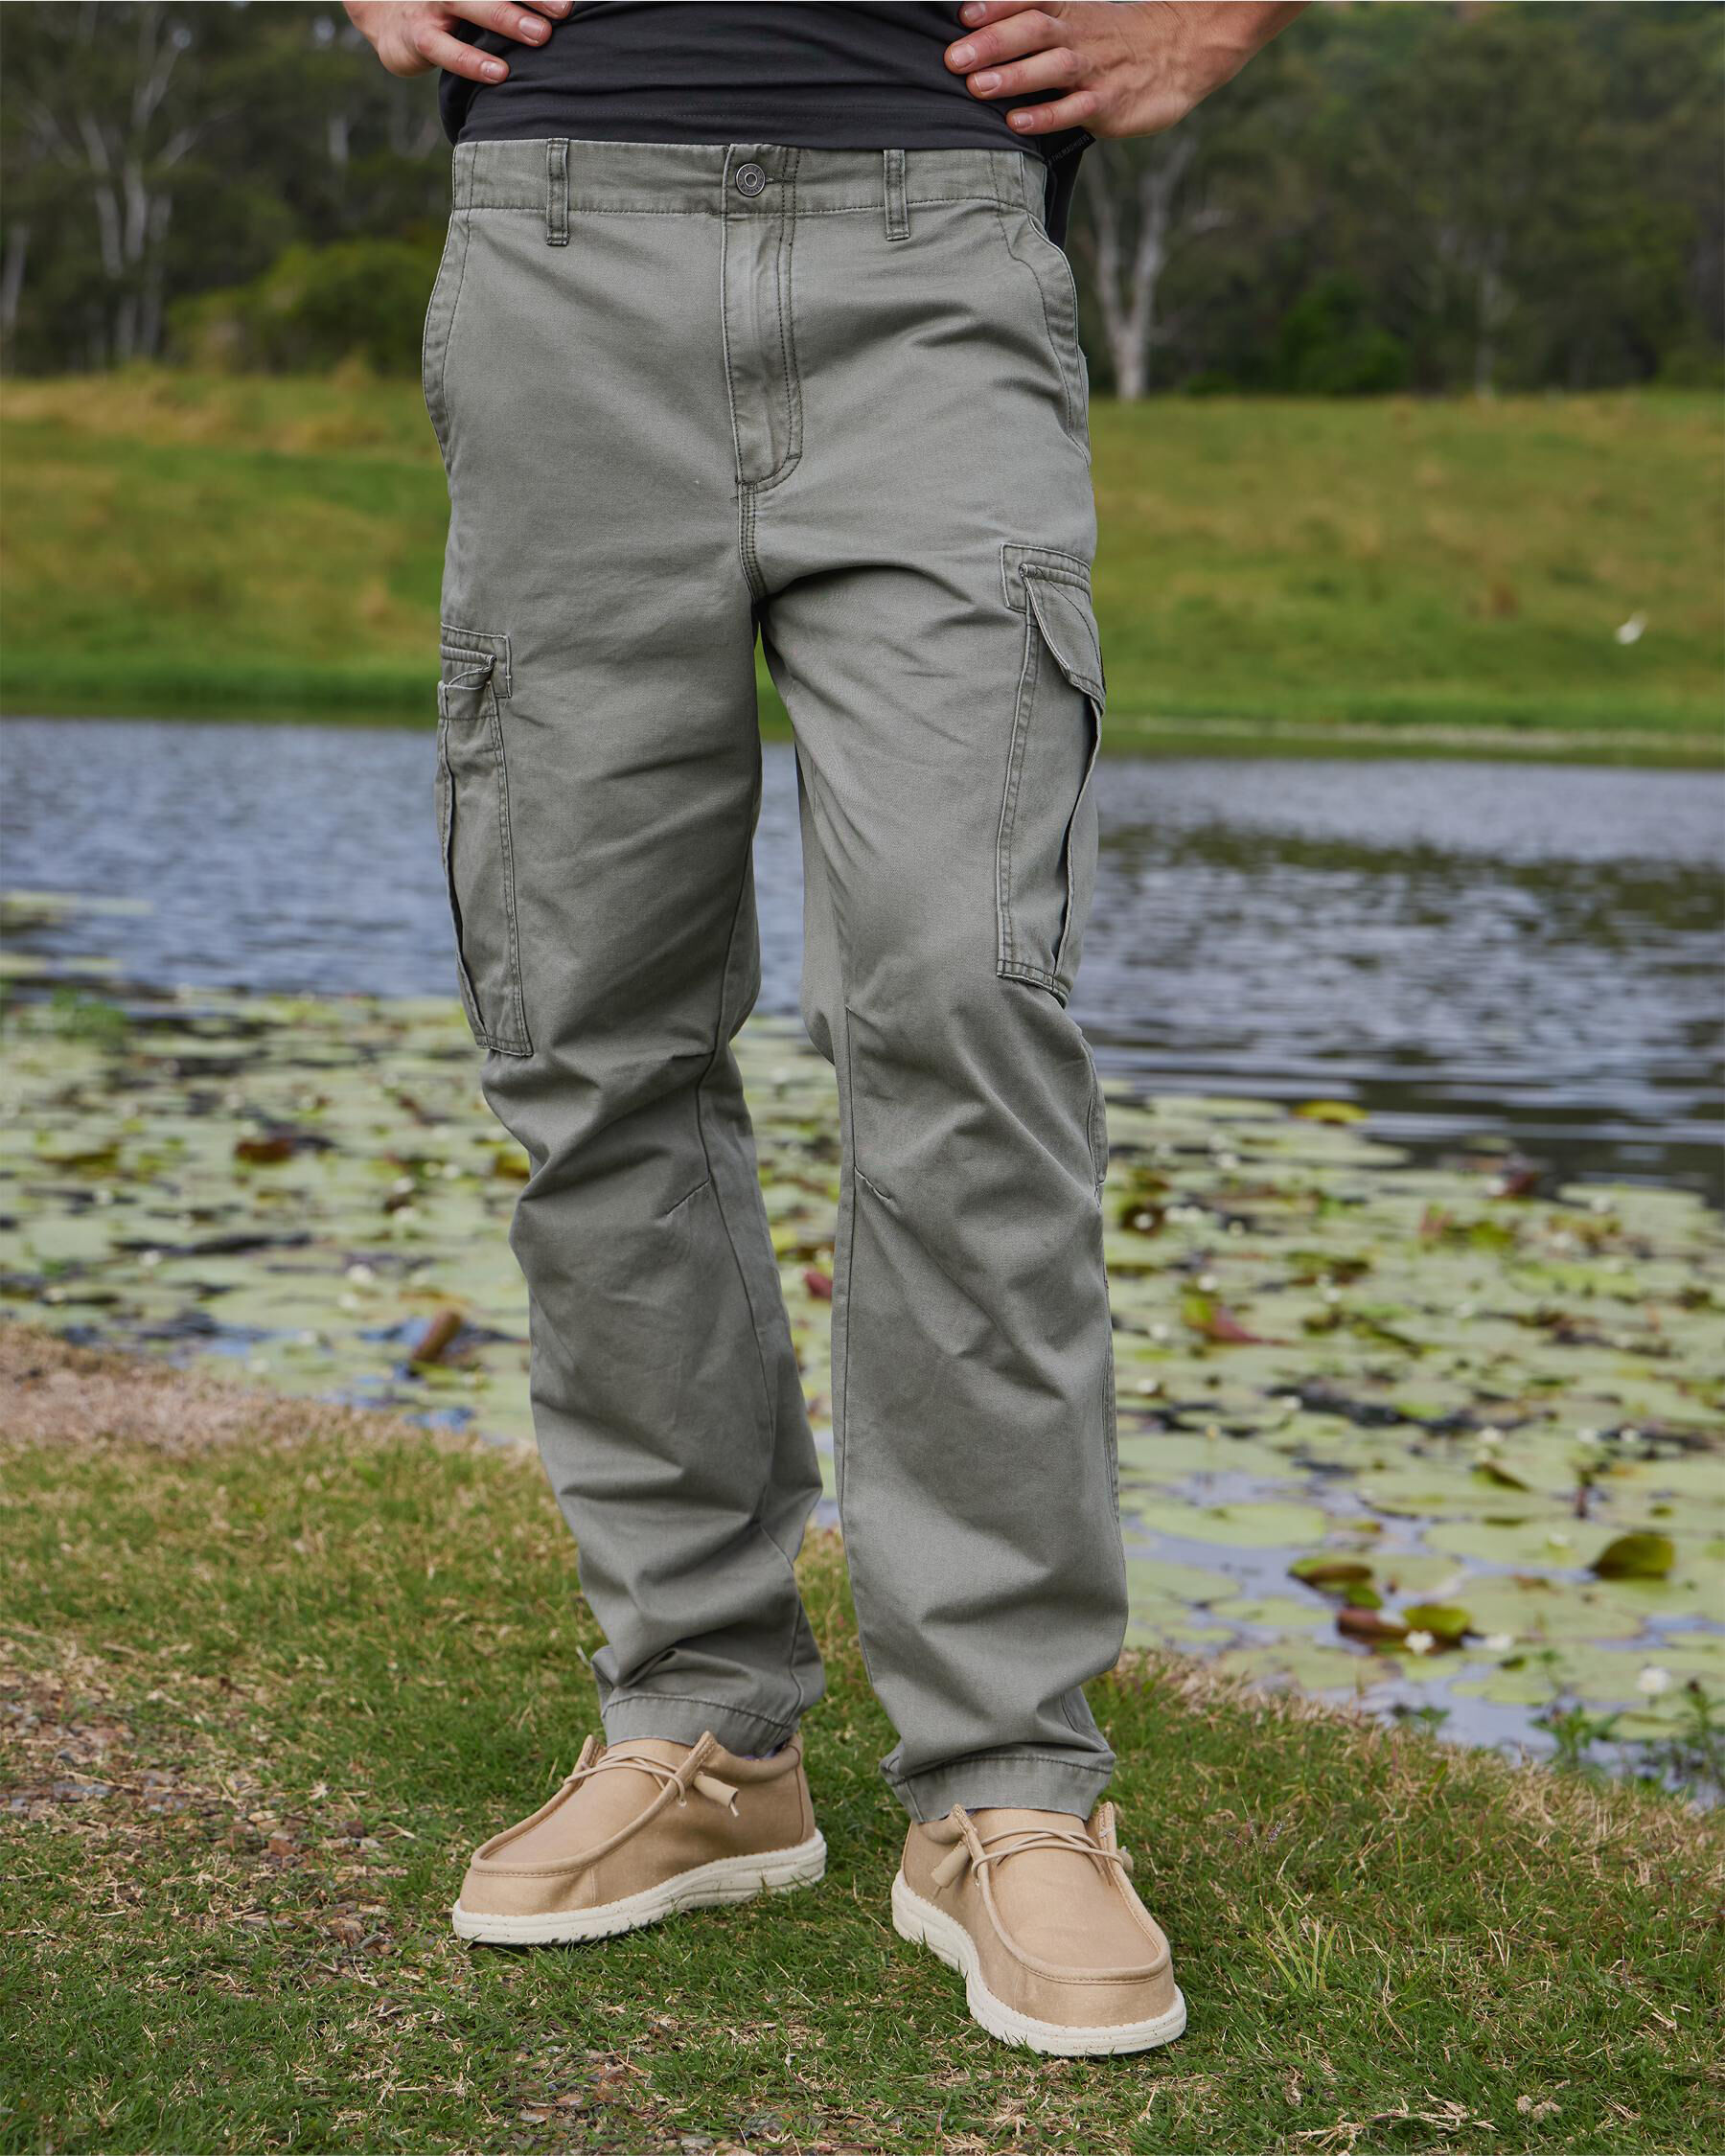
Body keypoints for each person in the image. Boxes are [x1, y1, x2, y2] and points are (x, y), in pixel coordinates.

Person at [346, 0, 1299, 2056]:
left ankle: (1008, 1782)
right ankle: (701, 1728)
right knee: (591, 1016)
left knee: (964, 993)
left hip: (935, 224)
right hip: (561, 236)